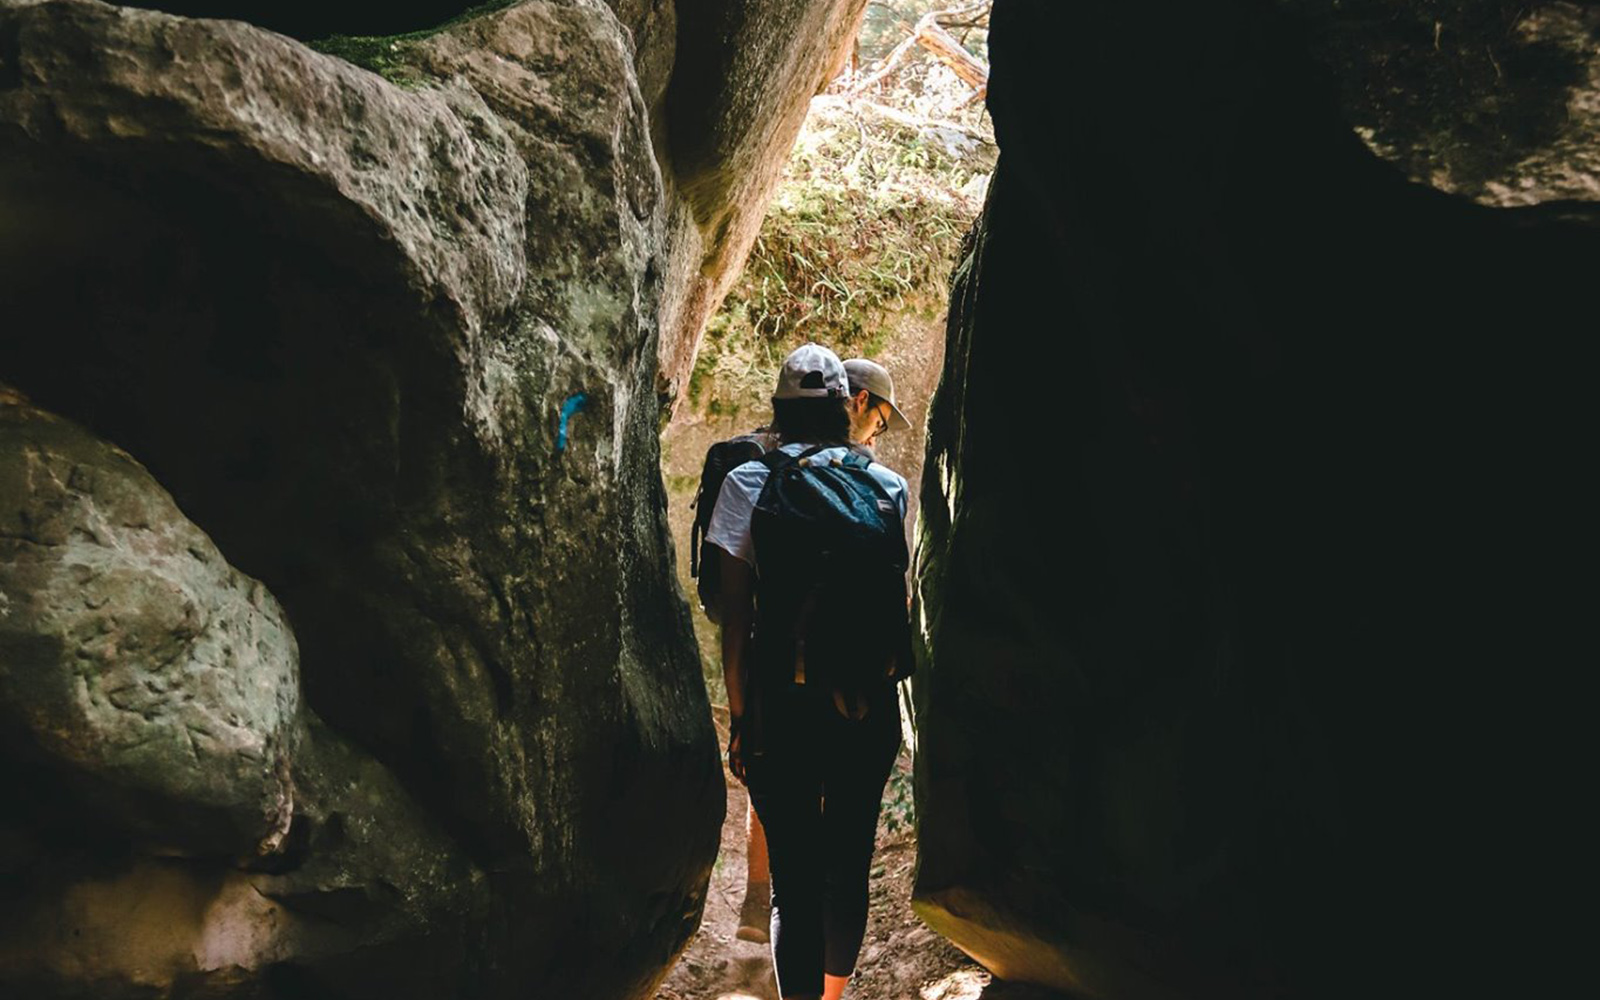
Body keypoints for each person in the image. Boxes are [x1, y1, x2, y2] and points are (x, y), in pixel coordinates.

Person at [706, 343, 912, 1000]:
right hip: (865, 704)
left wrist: (741, 720)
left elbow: (733, 619)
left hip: (782, 709)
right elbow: (898, 601)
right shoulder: (886, 487)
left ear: (780, 409)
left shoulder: (747, 482)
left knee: (793, 885)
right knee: (847, 867)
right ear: (844, 408)